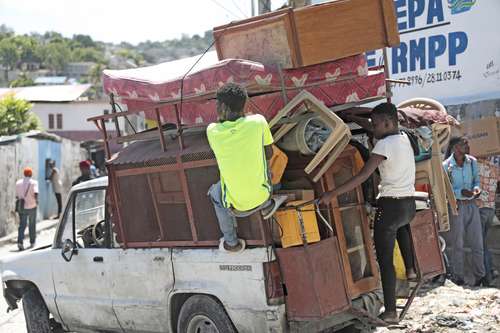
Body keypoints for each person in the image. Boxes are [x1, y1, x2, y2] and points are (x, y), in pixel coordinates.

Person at [320, 102, 416, 324]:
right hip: (408, 206)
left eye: (375, 125)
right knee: (402, 227)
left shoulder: (383, 146)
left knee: (384, 261)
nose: (373, 129)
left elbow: (363, 175)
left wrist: (331, 194)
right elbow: (375, 128)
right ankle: (410, 269)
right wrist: (354, 118)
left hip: (390, 207)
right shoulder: (403, 137)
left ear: (387, 122)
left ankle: (391, 312)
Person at [207, 83, 284, 253]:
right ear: (245, 104)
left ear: (222, 107)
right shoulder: (258, 121)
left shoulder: (212, 131)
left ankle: (231, 243)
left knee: (214, 193)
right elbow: (269, 153)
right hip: (264, 194)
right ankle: (267, 206)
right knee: (265, 169)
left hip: (236, 207)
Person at [442, 137, 485, 286]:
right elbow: (446, 191)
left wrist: (476, 189)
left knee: (477, 242)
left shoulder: (472, 161)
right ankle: (458, 277)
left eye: (467, 142)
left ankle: (480, 276)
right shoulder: (446, 166)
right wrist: (461, 192)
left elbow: (476, 182)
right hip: (456, 207)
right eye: (463, 143)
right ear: (454, 148)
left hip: (472, 205)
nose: (467, 145)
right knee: (457, 243)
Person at [477, 157, 499, 285]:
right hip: (491, 209)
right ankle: (490, 270)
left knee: (480, 245)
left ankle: (487, 274)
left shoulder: (476, 166)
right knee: (483, 242)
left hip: (480, 209)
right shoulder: (494, 167)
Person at [15, 167, 39, 251]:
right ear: (30, 174)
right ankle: (32, 242)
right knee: (32, 224)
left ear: (24, 174)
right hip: (32, 206)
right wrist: (36, 201)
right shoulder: (34, 182)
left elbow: (17, 196)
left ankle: (20, 242)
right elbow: (36, 193)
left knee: (22, 225)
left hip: (22, 207)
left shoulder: (18, 183)